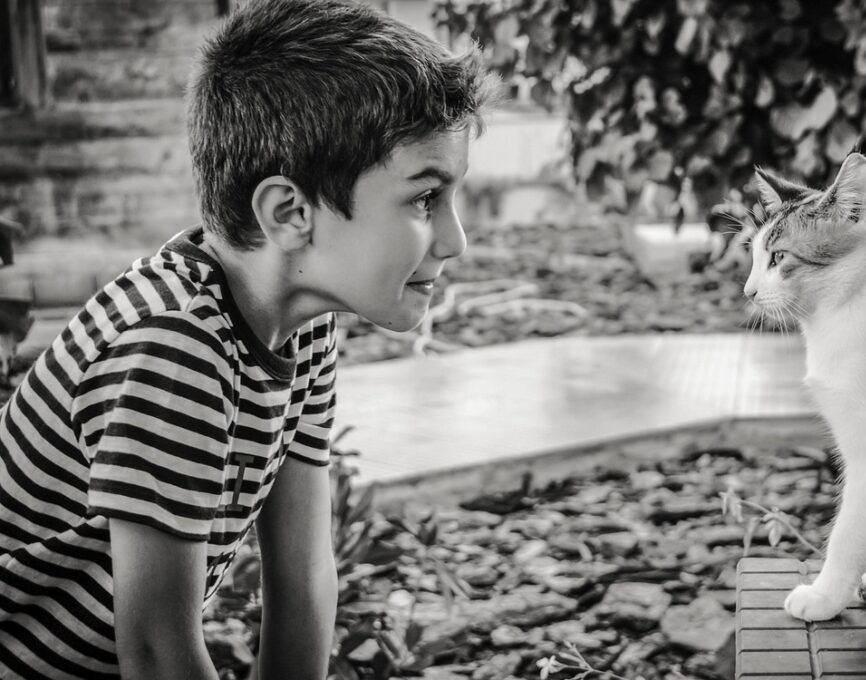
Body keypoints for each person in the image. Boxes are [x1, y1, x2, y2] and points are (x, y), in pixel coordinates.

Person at [0, 0, 500, 677]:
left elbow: (303, 575)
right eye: (424, 198)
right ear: (290, 213)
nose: (456, 240)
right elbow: (156, 653)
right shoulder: (173, 345)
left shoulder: (303, 326)